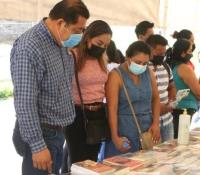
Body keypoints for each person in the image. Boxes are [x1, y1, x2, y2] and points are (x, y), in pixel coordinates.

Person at [10, 1, 89, 174]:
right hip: (41, 134)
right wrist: (38, 146)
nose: (80, 35)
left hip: (57, 132)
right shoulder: (30, 47)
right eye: (77, 30)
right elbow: (25, 102)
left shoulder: (60, 42)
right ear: (61, 23)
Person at [65, 20, 112, 167]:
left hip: (98, 115)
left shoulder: (102, 59)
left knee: (92, 161)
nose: (102, 48)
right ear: (88, 37)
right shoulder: (72, 56)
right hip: (77, 114)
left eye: (105, 45)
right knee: (78, 162)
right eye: (99, 43)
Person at [104, 41, 161, 157]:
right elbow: (112, 108)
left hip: (147, 129)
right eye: (138, 62)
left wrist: (156, 123)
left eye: (145, 63)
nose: (141, 66)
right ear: (127, 57)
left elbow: (156, 99)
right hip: (124, 130)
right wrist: (115, 136)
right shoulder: (115, 75)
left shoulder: (148, 72)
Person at [146, 34, 176, 142]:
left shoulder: (166, 67)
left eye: (164, 52)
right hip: (150, 122)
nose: (162, 55)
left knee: (169, 153)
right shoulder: (143, 68)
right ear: (149, 49)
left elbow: (172, 87)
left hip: (167, 120)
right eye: (159, 52)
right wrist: (157, 108)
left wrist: (171, 103)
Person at [171, 39, 200, 138]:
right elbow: (198, 93)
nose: (191, 54)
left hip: (176, 107)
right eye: (189, 51)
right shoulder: (184, 68)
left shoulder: (173, 66)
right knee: (181, 137)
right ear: (182, 53)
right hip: (184, 109)